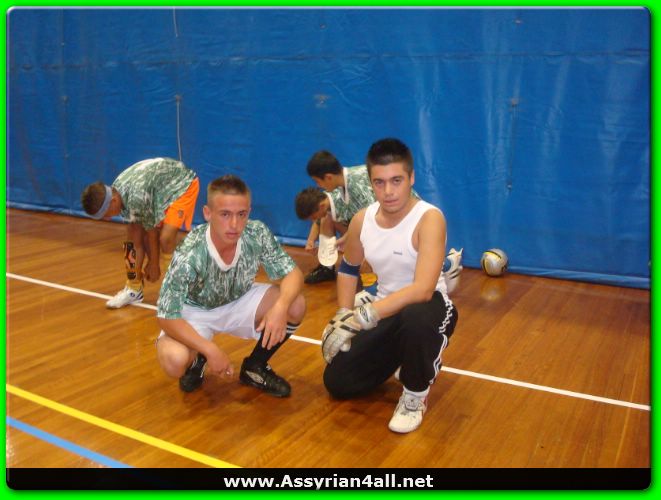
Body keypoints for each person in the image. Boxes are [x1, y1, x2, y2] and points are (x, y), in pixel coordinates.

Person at [321, 138, 459, 433]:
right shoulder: (362, 220)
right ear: (371, 182)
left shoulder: (429, 218)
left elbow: (422, 289)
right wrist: (343, 314)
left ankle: (415, 395)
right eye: (379, 182)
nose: (388, 191)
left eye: (397, 180)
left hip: (429, 307)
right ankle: (406, 357)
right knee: (338, 382)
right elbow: (348, 268)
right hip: (386, 310)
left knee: (416, 316)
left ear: (411, 178)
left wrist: (363, 315)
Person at [155, 175, 306, 397]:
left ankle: (255, 366)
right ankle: (197, 360)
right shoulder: (190, 253)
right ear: (208, 213)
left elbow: (294, 274)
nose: (234, 224)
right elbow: (166, 316)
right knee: (174, 360)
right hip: (195, 312)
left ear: (249, 212)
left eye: (241, 214)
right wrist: (211, 350)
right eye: (225, 214)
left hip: (239, 299)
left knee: (295, 304)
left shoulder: (256, 233)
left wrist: (280, 307)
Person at [81, 157, 200, 309]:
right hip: (156, 189)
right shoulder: (119, 193)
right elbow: (138, 239)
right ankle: (133, 288)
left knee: (166, 238)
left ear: (113, 201)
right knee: (131, 242)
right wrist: (150, 260)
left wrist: (154, 264)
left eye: (105, 214)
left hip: (181, 184)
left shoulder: (136, 196)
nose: (107, 219)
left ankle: (177, 292)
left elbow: (152, 233)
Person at [298, 150, 376, 284]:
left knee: (356, 263)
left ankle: (375, 282)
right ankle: (327, 268)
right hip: (377, 224)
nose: (318, 186)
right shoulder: (341, 186)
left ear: (328, 177)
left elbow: (374, 220)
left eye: (317, 181)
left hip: (398, 224)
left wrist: (358, 248)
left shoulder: (357, 184)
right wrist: (344, 240)